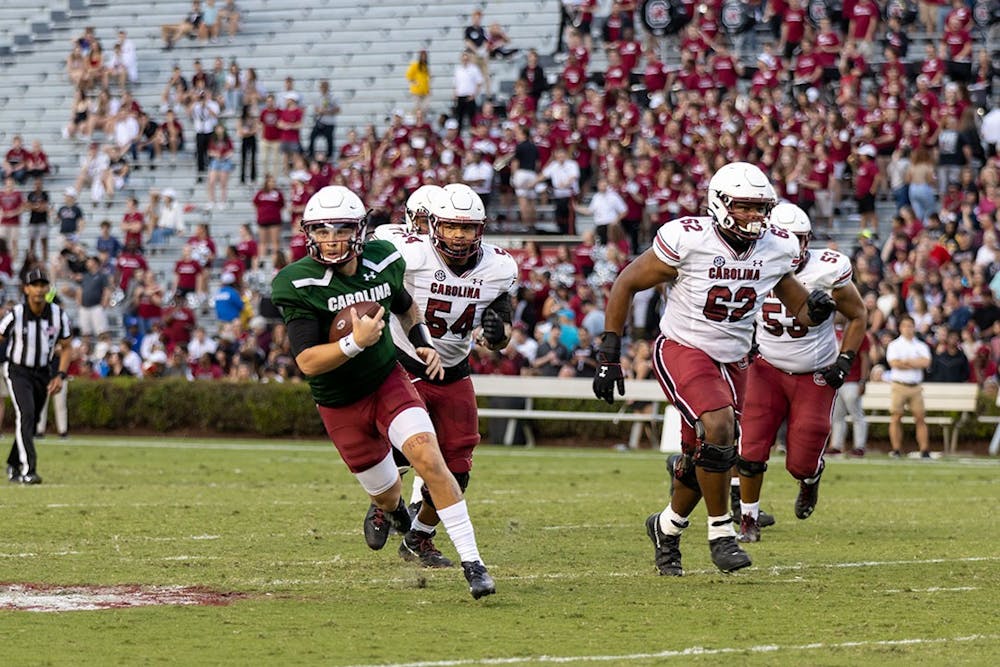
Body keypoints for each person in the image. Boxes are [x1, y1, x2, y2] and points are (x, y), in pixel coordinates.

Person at [592, 162, 837, 575]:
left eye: (761, 208)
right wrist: (609, 353)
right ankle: (722, 532)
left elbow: (797, 305)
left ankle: (666, 528)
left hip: (735, 359)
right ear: (720, 204)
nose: (755, 217)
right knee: (720, 429)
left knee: (703, 456)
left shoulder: (776, 248)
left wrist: (815, 308)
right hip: (684, 347)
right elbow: (626, 283)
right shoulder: (689, 239)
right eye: (745, 207)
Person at [270, 185, 495, 599]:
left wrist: (421, 338)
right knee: (388, 493)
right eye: (321, 231)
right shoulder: (297, 281)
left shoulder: (384, 258)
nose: (331, 239)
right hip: (340, 402)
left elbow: (405, 302)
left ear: (359, 231)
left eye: (341, 229)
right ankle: (394, 514)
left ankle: (473, 563)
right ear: (309, 234)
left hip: (387, 380)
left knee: (429, 456)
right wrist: (354, 342)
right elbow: (306, 362)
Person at [373, 183, 517, 569]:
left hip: (454, 370)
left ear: (480, 230)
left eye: (467, 228)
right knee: (409, 448)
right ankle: (382, 501)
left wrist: (496, 333)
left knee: (459, 468)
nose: (459, 236)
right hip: (406, 362)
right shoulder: (410, 252)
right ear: (433, 225)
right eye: (451, 226)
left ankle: (420, 535)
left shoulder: (499, 268)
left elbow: (501, 335)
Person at [735, 204, 867, 542]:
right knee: (750, 449)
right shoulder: (753, 260)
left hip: (814, 372)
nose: (795, 246)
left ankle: (810, 481)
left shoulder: (828, 268)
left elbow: (858, 314)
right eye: (788, 238)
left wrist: (845, 360)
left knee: (801, 463)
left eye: (801, 239)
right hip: (767, 367)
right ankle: (748, 519)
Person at [1, 268, 72, 484]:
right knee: (27, 413)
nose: (39, 290)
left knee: (30, 420)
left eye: (43, 285)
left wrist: (60, 374)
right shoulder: (16, 314)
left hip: (43, 372)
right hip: (18, 370)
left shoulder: (58, 315)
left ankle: (13, 463)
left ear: (48, 288)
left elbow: (67, 347)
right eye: (35, 285)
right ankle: (28, 469)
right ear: (26, 289)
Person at [886, 315, 933, 458]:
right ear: (900, 328)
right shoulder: (894, 345)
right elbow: (894, 363)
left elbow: (926, 363)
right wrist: (914, 363)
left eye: (910, 326)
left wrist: (906, 362)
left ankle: (924, 449)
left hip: (915, 386)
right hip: (899, 385)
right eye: (905, 326)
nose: (908, 329)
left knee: (920, 417)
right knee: (896, 416)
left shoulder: (920, 345)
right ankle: (896, 449)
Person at [829, 325, 873, 457]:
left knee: (856, 415)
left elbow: (865, 357)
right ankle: (836, 445)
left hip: (853, 379)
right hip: (837, 380)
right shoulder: (831, 332)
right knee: (837, 416)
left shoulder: (859, 333)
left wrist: (863, 380)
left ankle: (859, 446)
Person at [308, 80, 340, 159]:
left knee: (329, 139)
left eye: (324, 87)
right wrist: (320, 111)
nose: (323, 89)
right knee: (312, 136)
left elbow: (338, 109)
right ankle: (311, 154)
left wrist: (327, 111)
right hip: (320, 122)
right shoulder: (318, 97)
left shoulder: (333, 97)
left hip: (329, 122)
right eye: (321, 87)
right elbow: (316, 109)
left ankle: (329, 156)